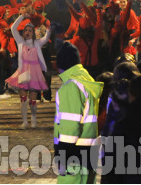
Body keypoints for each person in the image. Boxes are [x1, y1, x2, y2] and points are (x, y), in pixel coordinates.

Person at [53, 43, 103, 184]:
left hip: (73, 154)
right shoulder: (87, 82)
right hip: (88, 151)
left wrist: (63, 155)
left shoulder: (70, 87)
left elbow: (70, 127)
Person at [6, 13, 51, 128]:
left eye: (30, 30)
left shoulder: (37, 43)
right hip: (23, 71)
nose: (27, 32)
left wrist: (47, 25)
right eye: (26, 30)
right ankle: (25, 121)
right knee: (23, 98)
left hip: (35, 73)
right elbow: (13, 28)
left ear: (33, 33)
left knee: (33, 99)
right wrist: (22, 16)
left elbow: (46, 37)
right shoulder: (20, 42)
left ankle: (34, 119)